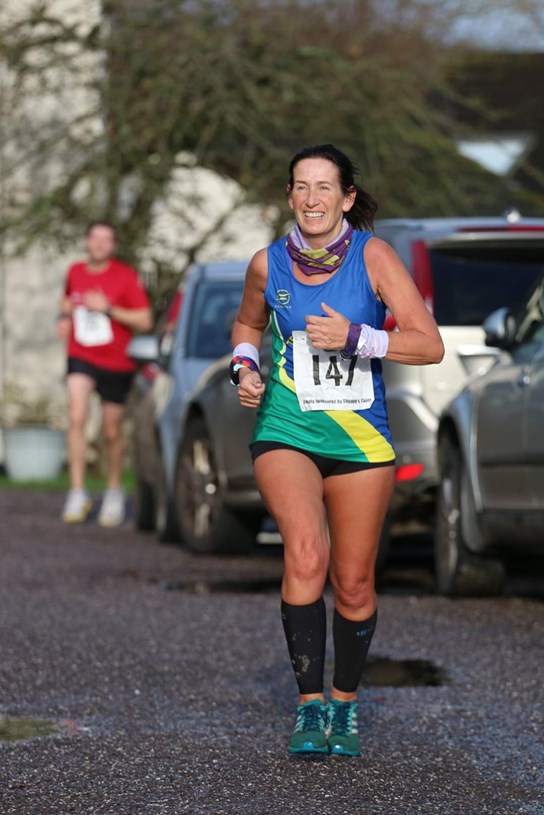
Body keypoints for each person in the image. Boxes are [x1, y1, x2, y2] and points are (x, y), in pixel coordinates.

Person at [230, 144, 444, 757]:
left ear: (347, 197)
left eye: (325, 187)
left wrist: (359, 337)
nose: (312, 198)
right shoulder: (266, 264)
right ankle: (308, 707)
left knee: (352, 582)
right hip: (287, 428)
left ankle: (345, 706)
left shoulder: (374, 256)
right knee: (305, 553)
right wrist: (244, 368)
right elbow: (247, 327)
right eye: (301, 186)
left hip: (360, 437)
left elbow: (428, 345)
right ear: (290, 195)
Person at [57, 221, 152, 526]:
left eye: (105, 240)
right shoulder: (75, 271)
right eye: (94, 238)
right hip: (80, 354)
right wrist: (63, 316)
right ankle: (77, 491)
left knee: (111, 430)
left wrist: (108, 309)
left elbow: (145, 321)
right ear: (86, 242)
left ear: (112, 246)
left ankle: (113, 490)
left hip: (116, 361)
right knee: (76, 415)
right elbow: (67, 298)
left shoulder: (124, 276)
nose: (98, 244)